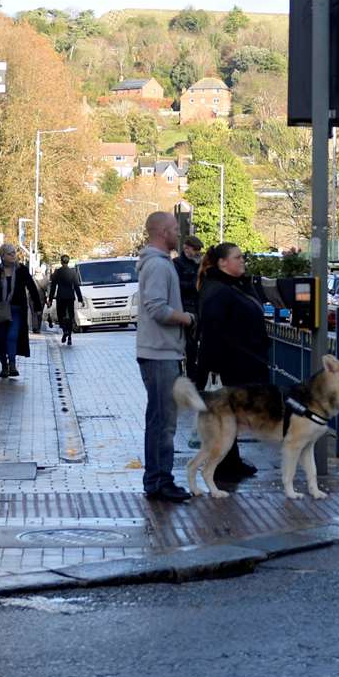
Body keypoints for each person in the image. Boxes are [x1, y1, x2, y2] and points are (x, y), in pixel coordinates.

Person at [196, 242, 266, 482]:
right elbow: (214, 332)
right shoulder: (218, 290)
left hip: (244, 360)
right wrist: (212, 368)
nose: (242, 261)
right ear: (222, 263)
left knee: (233, 415)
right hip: (232, 363)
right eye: (237, 258)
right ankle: (225, 464)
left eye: (242, 257)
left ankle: (230, 461)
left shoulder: (233, 286)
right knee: (229, 414)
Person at [137, 212, 194, 503]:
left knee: (159, 419)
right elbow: (157, 308)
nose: (178, 234)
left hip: (159, 351)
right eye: (174, 229)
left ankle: (157, 478)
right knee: (164, 422)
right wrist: (185, 318)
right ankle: (160, 481)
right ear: (161, 232)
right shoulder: (159, 267)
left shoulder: (157, 264)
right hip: (159, 353)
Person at [0, 243, 43, 379]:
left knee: (12, 336)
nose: (13, 255)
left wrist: (38, 307)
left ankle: (12, 364)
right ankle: (4, 366)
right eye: (10, 253)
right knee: (0, 338)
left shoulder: (22, 270)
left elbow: (32, 288)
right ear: (3, 256)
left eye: (14, 253)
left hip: (17, 310)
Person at [173, 235, 203, 386]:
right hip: (184, 308)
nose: (197, 253)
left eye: (199, 250)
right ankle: (185, 377)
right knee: (186, 346)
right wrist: (194, 283)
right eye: (195, 250)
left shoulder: (199, 264)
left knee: (196, 347)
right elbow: (177, 285)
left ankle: (194, 378)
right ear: (186, 248)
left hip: (198, 307)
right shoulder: (177, 264)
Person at [44, 254, 85, 346]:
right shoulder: (73, 272)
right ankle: (69, 337)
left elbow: (53, 287)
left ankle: (64, 330)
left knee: (61, 315)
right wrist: (80, 299)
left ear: (61, 262)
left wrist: (50, 299)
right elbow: (76, 286)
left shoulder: (57, 272)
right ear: (68, 261)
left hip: (61, 297)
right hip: (70, 296)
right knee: (70, 316)